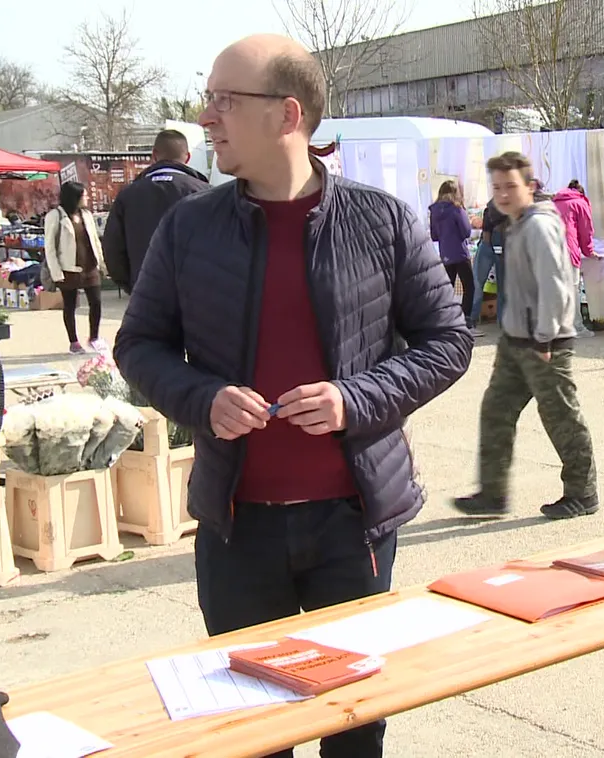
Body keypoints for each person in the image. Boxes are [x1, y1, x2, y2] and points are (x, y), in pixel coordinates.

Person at [112, 34, 473, 758]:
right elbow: (138, 345)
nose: (205, 116)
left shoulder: (382, 220)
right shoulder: (189, 227)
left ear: (286, 114)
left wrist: (356, 398)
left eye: (224, 100)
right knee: (250, 730)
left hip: (354, 523)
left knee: (354, 721)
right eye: (208, 98)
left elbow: (447, 342)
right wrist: (200, 397)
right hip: (236, 528)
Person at [453, 151, 598, 520]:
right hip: (516, 339)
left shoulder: (538, 226)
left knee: (561, 417)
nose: (502, 194)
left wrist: (545, 337)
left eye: (510, 186)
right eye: (497, 187)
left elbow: (555, 286)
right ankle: (493, 494)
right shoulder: (516, 223)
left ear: (530, 187)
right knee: (496, 412)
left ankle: (583, 493)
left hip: (542, 342)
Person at [103, 129, 210, 294]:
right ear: (187, 157)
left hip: (145, 294)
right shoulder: (206, 193)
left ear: (154, 155)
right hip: (196, 295)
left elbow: (113, 250)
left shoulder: (128, 195)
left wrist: (133, 286)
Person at [44, 181, 106, 355]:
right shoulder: (56, 216)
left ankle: (94, 337)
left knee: (96, 302)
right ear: (75, 197)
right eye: (84, 195)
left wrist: (101, 263)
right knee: (70, 305)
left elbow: (94, 240)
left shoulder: (86, 215)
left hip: (90, 266)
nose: (87, 198)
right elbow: (49, 247)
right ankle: (73, 341)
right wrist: (56, 272)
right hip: (69, 268)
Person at [552, 178, 595, 338]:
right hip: (568, 250)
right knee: (572, 290)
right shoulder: (580, 203)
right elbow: (586, 231)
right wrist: (589, 251)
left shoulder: (555, 202)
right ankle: (576, 326)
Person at [430, 179, 475, 326]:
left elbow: (434, 236)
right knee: (469, 286)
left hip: (445, 253)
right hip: (460, 253)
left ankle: (446, 319)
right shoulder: (457, 209)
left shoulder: (434, 211)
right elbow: (467, 231)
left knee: (448, 288)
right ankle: (465, 318)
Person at [469, 199, 508, 336]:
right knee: (502, 286)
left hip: (487, 245)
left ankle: (472, 320)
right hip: (502, 246)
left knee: (477, 284)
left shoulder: (491, 207)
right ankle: (502, 322)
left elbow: (486, 232)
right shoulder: (510, 207)